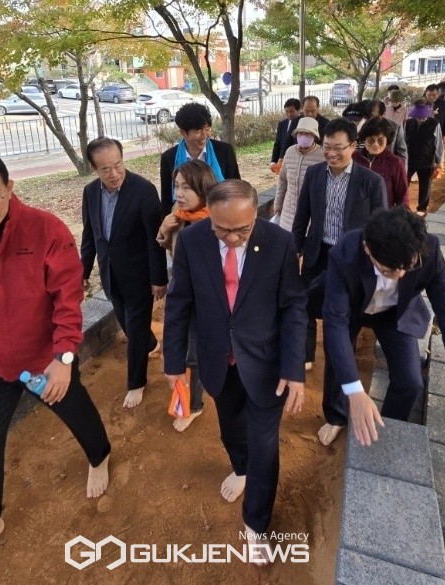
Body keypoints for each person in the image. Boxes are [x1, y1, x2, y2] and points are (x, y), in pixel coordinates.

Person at [0, 152, 111, 577]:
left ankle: (100, 457)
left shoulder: (45, 229)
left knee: (77, 414)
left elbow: (67, 300)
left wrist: (63, 359)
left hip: (44, 360)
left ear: (11, 188)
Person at [163, 179, 306, 563]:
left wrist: (294, 368)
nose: (230, 237)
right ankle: (239, 469)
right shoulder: (192, 242)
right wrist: (174, 363)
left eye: (240, 230)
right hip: (217, 360)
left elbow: (294, 307)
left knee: (264, 446)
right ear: (208, 215)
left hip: (267, 364)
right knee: (230, 429)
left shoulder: (279, 243)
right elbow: (178, 304)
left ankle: (256, 523)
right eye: (221, 229)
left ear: (255, 216)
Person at [321, 207, 445, 447]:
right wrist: (354, 391)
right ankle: (336, 416)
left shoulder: (428, 250)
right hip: (351, 309)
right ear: (367, 248)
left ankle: (388, 429)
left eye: (408, 268)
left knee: (410, 382)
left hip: (394, 313)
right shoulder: (344, 253)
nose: (400, 276)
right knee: (338, 362)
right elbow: (335, 324)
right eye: (388, 270)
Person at [291, 117, 386, 420]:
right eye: (327, 147)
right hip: (317, 255)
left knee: (339, 336)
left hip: (351, 264)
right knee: (301, 308)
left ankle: (335, 413)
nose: (330, 153)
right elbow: (302, 215)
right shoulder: (316, 174)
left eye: (338, 148)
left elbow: (379, 228)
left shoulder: (371, 182)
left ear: (353, 146)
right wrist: (294, 250)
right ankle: (303, 357)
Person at [81, 137, 168, 409]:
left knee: (135, 328)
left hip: (139, 275)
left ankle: (137, 383)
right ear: (94, 169)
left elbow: (155, 238)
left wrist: (158, 278)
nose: (114, 173)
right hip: (109, 274)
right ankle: (151, 341)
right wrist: (83, 272)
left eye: (118, 165)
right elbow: (89, 235)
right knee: (128, 323)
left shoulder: (143, 191)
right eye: (105, 169)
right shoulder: (90, 192)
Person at [156, 159, 218, 431]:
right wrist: (165, 229)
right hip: (181, 292)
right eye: (176, 186)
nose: (179, 193)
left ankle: (193, 406)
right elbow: (169, 247)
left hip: (203, 302)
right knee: (180, 351)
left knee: (192, 355)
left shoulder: (216, 224)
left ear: (203, 189)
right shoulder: (178, 213)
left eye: (186, 188)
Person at [160, 103, 240, 214]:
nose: (204, 135)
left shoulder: (224, 151)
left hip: (220, 216)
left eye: (207, 129)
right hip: (184, 220)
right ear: (183, 132)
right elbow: (166, 201)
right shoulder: (169, 158)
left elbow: (236, 188)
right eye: (198, 131)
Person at [273, 117, 325, 233]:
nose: (303, 136)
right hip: (288, 212)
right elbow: (282, 181)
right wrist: (278, 204)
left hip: (311, 215)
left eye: (307, 133)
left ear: (314, 136)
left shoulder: (322, 155)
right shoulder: (290, 151)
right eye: (300, 133)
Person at [353, 117, 409, 210]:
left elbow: (402, 196)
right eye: (371, 140)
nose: (376, 144)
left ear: (387, 140)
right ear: (364, 139)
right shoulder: (354, 158)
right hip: (357, 215)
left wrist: (401, 218)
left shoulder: (395, 162)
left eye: (380, 140)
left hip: (383, 217)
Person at [404, 100, 445, 215]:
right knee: (403, 183)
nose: (420, 119)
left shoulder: (435, 124)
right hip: (410, 159)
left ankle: (422, 208)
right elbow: (403, 142)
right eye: (417, 117)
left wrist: (439, 161)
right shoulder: (408, 123)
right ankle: (402, 205)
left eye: (422, 117)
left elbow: (438, 144)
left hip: (427, 160)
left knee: (425, 185)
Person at [364, 99, 408, 165]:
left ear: (383, 113)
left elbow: (402, 151)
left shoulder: (395, 126)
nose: (374, 119)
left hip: (388, 166)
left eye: (377, 116)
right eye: (371, 116)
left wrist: (403, 171)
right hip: (367, 166)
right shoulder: (363, 126)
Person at [270, 98, 303, 172]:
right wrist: (273, 161)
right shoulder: (282, 124)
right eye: (287, 111)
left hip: (296, 159)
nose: (289, 114)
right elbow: (278, 143)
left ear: (298, 110)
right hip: (283, 160)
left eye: (291, 111)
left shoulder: (302, 123)